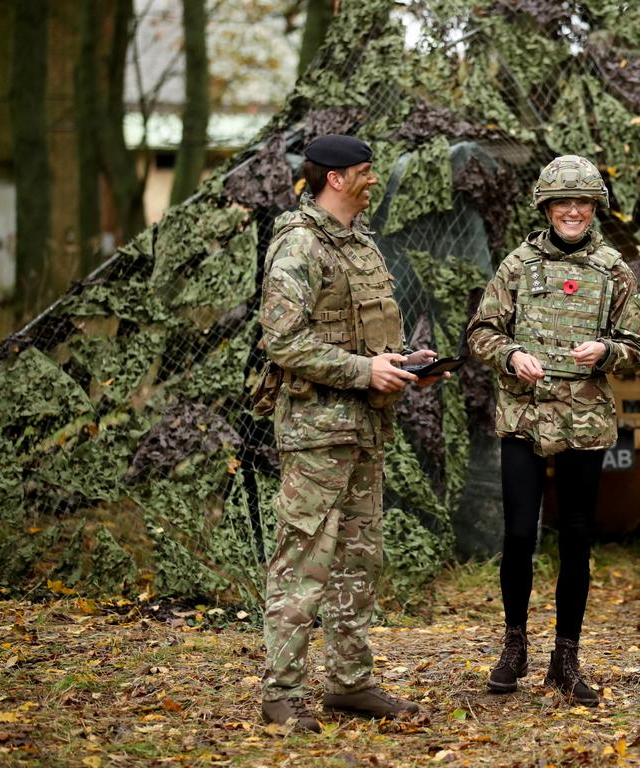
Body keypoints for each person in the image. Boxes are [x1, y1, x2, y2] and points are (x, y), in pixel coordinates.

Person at [258, 134, 443, 731]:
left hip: (364, 430)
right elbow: (283, 341)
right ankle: (280, 692)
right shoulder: (299, 246)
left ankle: (348, 682)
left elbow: (358, 336)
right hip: (316, 434)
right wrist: (364, 370)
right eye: (365, 172)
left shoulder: (360, 244)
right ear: (335, 178)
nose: (372, 181)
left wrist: (401, 362)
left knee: (359, 561)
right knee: (304, 560)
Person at [467, 155, 640, 707]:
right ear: (547, 208)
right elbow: (481, 332)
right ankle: (514, 645)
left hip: (585, 422)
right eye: (562, 203)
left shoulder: (613, 270)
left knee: (576, 539)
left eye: (582, 203)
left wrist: (607, 352)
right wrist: (512, 354)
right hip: (525, 418)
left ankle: (565, 657)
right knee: (520, 534)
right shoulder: (518, 266)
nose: (572, 211)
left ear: (595, 208)